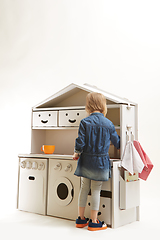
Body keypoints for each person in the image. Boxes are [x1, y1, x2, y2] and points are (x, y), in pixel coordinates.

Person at [72, 92, 120, 231]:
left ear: (88, 105)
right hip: (100, 162)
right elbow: (117, 143)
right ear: (103, 105)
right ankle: (94, 221)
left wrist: (76, 153)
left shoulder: (84, 122)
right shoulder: (109, 123)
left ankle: (80, 219)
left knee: (84, 188)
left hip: (86, 160)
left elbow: (80, 142)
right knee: (96, 190)